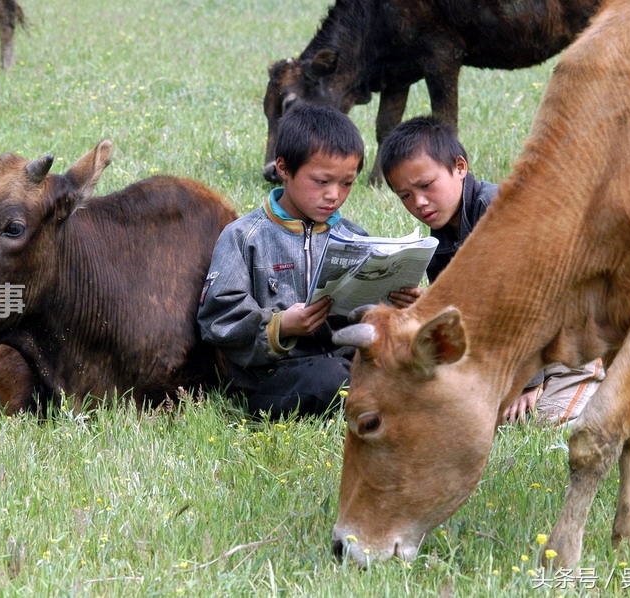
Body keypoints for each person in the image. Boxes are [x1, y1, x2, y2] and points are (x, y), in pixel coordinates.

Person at [379, 115, 603, 426]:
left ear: (460, 167)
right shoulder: (437, 241)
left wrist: (530, 382)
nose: (419, 202)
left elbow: (524, 299)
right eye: (405, 195)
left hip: (568, 345)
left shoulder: (498, 212)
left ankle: (624, 394)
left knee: (542, 423)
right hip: (508, 357)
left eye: (427, 185)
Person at [197, 104, 367, 419]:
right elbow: (218, 321)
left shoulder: (354, 237)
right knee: (334, 380)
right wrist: (282, 326)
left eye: (347, 183)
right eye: (321, 181)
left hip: (344, 359)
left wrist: (393, 301)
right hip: (274, 377)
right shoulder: (245, 237)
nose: (334, 194)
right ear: (284, 169)